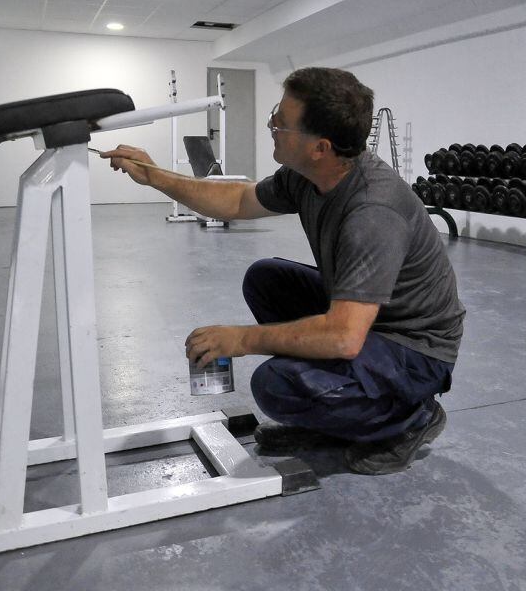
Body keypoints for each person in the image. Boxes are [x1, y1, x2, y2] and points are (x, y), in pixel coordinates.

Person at [101, 67, 465, 474]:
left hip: (414, 348)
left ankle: (409, 420)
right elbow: (238, 200)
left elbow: (344, 338)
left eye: (283, 123)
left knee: (275, 386)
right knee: (266, 279)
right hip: (372, 321)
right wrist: (154, 176)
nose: (272, 125)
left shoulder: (371, 212)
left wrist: (241, 339)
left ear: (320, 147)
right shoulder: (308, 176)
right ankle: (336, 415)